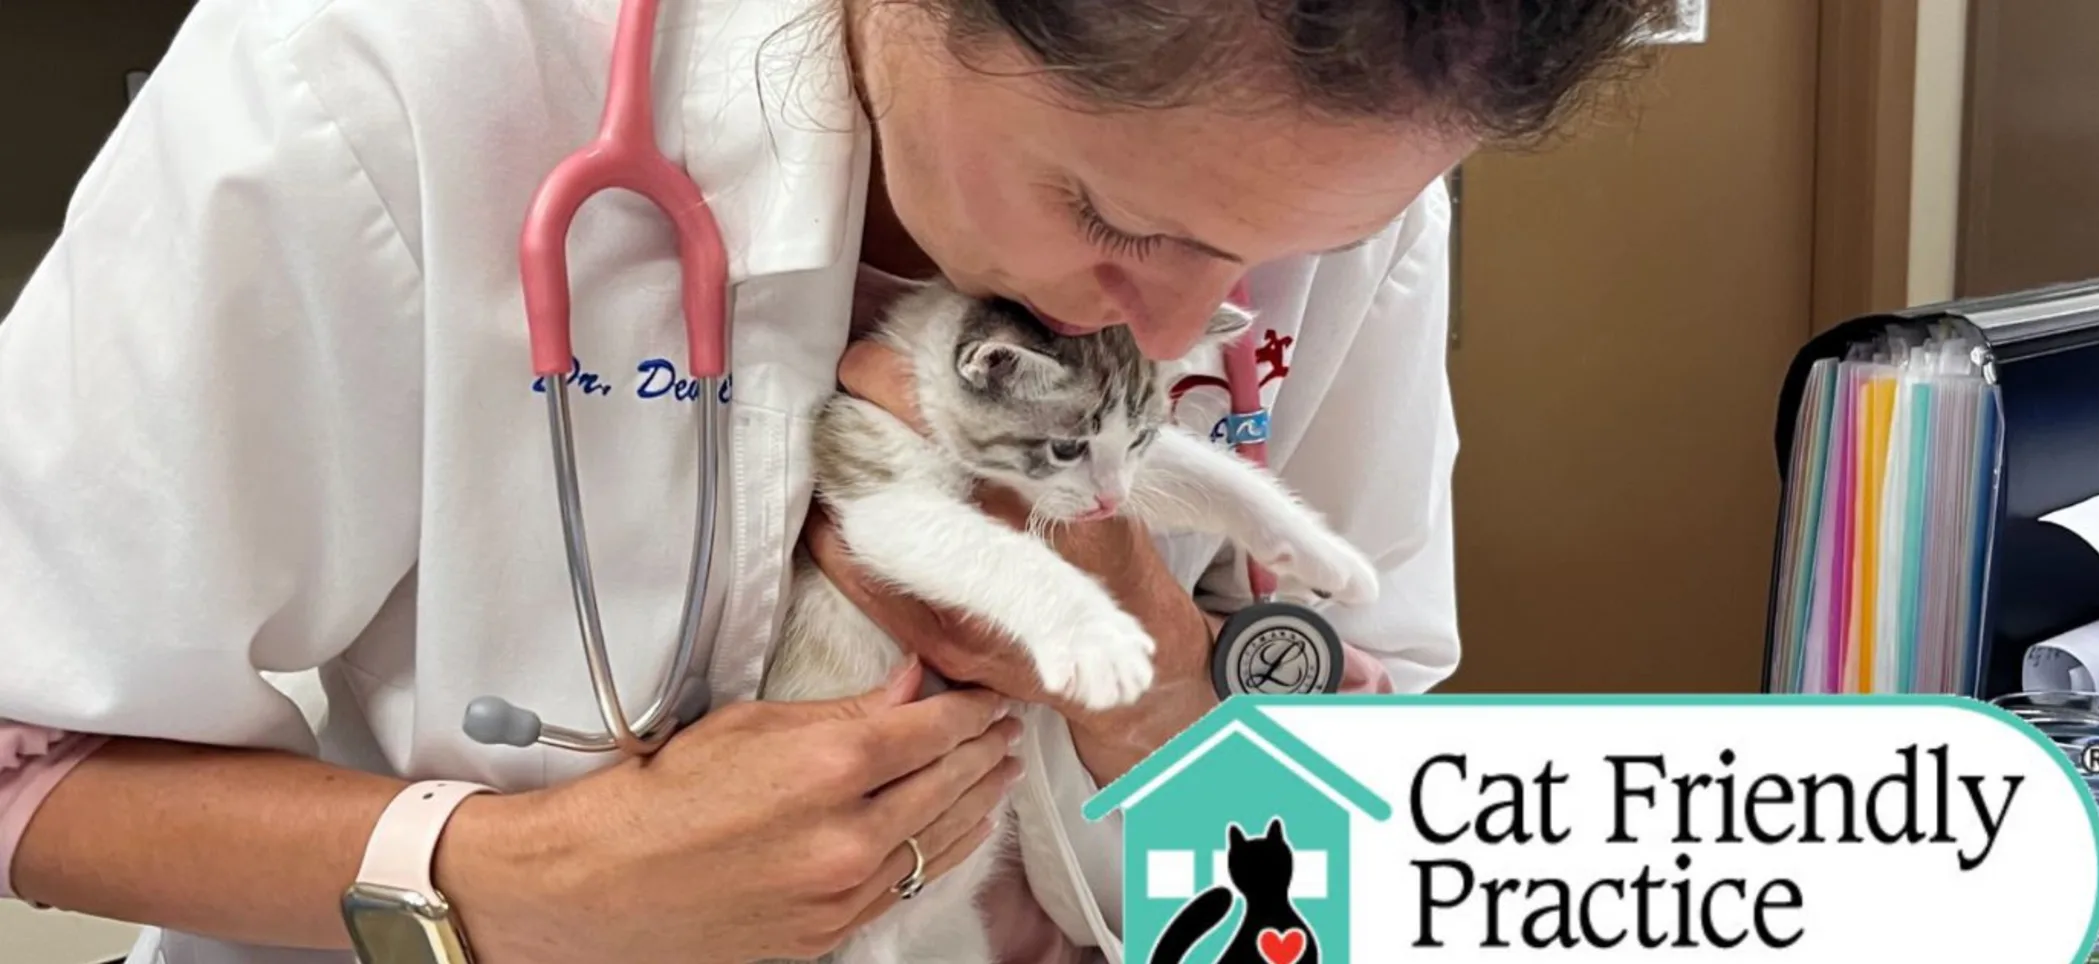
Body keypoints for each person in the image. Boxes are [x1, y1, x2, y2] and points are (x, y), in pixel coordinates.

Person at [0, 0, 1669, 961]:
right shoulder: (385, 65)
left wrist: (1153, 689)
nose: (1185, 328)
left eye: (1296, 248)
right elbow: (29, 760)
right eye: (1121, 222)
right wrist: (518, 883)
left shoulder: (1354, 139)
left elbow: (1353, 820)